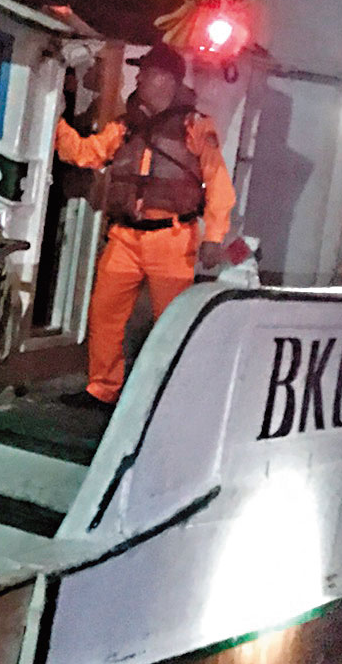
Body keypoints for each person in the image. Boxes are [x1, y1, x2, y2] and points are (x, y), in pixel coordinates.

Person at [55, 45, 245, 408]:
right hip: (124, 236)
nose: (138, 78)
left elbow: (219, 184)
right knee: (104, 312)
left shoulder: (196, 126)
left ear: (167, 79)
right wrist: (55, 121)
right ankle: (102, 389)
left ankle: (169, 398)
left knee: (171, 322)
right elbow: (85, 153)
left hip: (173, 239)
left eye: (146, 72)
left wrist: (214, 238)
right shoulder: (125, 126)